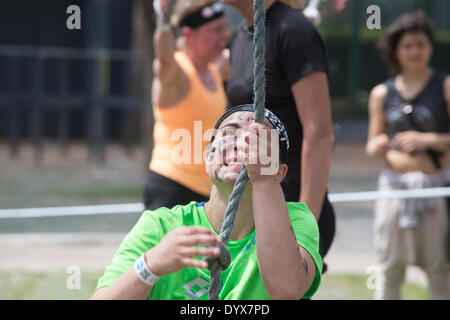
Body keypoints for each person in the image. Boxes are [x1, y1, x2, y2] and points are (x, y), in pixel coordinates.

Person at [91, 106, 323, 300]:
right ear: (207, 156)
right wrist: (150, 265)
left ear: (280, 173)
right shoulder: (160, 226)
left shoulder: (296, 221)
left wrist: (263, 178)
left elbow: (286, 291)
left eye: (259, 140)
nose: (242, 143)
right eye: (230, 133)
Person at [222, 0, 336, 268]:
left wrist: (306, 223)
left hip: (291, 207)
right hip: (251, 209)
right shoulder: (240, 34)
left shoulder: (294, 31)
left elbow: (320, 134)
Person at [366, 10, 450, 300]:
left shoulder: (445, 85)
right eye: (408, 45)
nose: (415, 51)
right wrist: (377, 146)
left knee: (441, 267)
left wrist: (426, 139)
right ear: (396, 50)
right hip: (394, 189)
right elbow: (373, 142)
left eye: (421, 44)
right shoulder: (381, 93)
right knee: (389, 267)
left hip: (438, 189)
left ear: (430, 47)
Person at [142, 0, 229, 210]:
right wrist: (162, 24)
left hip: (207, 191)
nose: (225, 36)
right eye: (216, 30)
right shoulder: (177, 73)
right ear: (189, 35)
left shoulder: (216, 69)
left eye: (225, 28)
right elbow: (163, 60)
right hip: (171, 186)